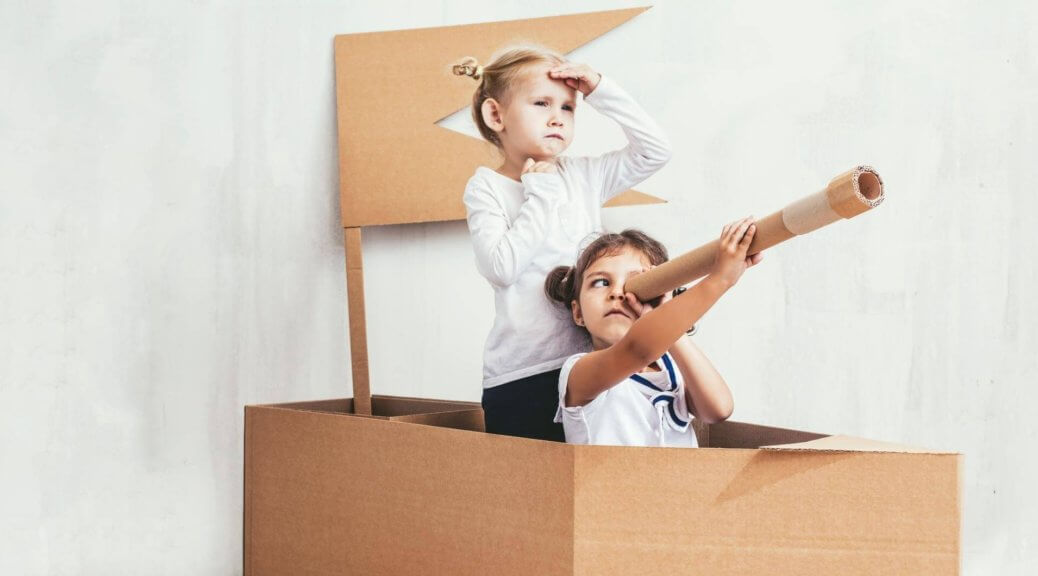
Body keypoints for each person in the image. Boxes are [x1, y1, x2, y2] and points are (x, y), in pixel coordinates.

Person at [453, 45, 671, 441]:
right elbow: (501, 268)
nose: (557, 117)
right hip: (522, 375)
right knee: (529, 477)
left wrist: (600, 89)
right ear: (496, 115)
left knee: (588, 471)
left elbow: (656, 151)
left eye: (568, 107)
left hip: (589, 365)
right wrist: (540, 193)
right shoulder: (486, 187)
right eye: (541, 103)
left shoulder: (584, 176)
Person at [544, 222, 763, 447]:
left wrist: (666, 320)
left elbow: (719, 410)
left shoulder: (674, 371)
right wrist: (721, 279)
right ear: (578, 312)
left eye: (634, 283)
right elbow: (637, 349)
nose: (617, 293)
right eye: (601, 282)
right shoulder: (578, 373)